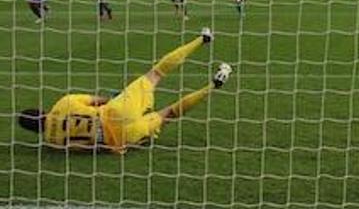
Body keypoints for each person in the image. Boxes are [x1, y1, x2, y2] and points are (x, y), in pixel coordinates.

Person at [17, 28, 231, 154]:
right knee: (156, 74)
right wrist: (114, 98)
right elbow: (97, 100)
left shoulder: (53, 143)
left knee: (169, 114)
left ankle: (214, 85)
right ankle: (203, 39)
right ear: (41, 111)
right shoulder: (62, 104)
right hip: (116, 112)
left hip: (120, 140)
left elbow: (90, 149)